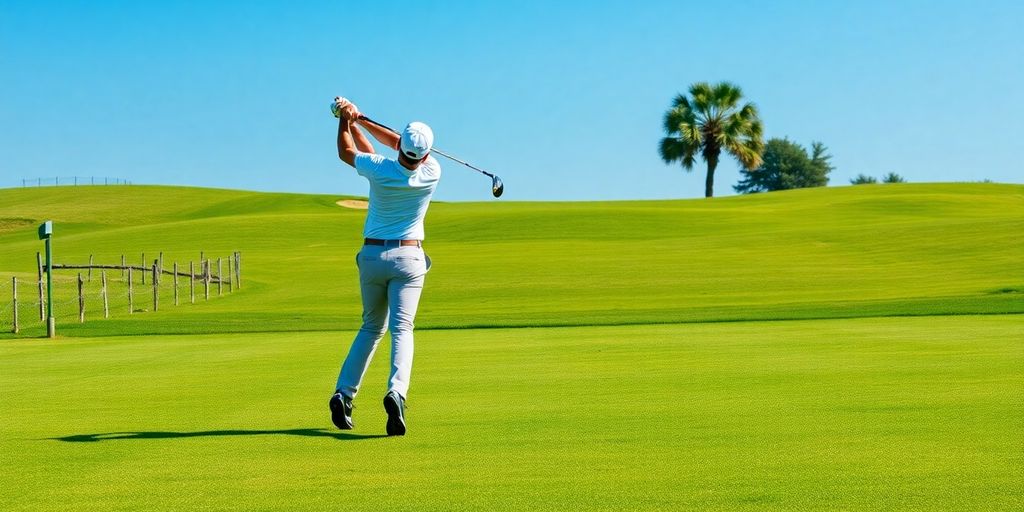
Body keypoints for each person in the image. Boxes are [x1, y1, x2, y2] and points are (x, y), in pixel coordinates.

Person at [329, 96, 441, 436]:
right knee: (402, 328)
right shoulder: (432, 172)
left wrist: (347, 120)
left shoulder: (380, 170)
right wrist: (358, 119)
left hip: (373, 258)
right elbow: (388, 144)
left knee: (371, 327)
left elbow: (348, 153)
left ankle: (343, 393)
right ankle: (397, 392)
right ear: (423, 154)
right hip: (409, 259)